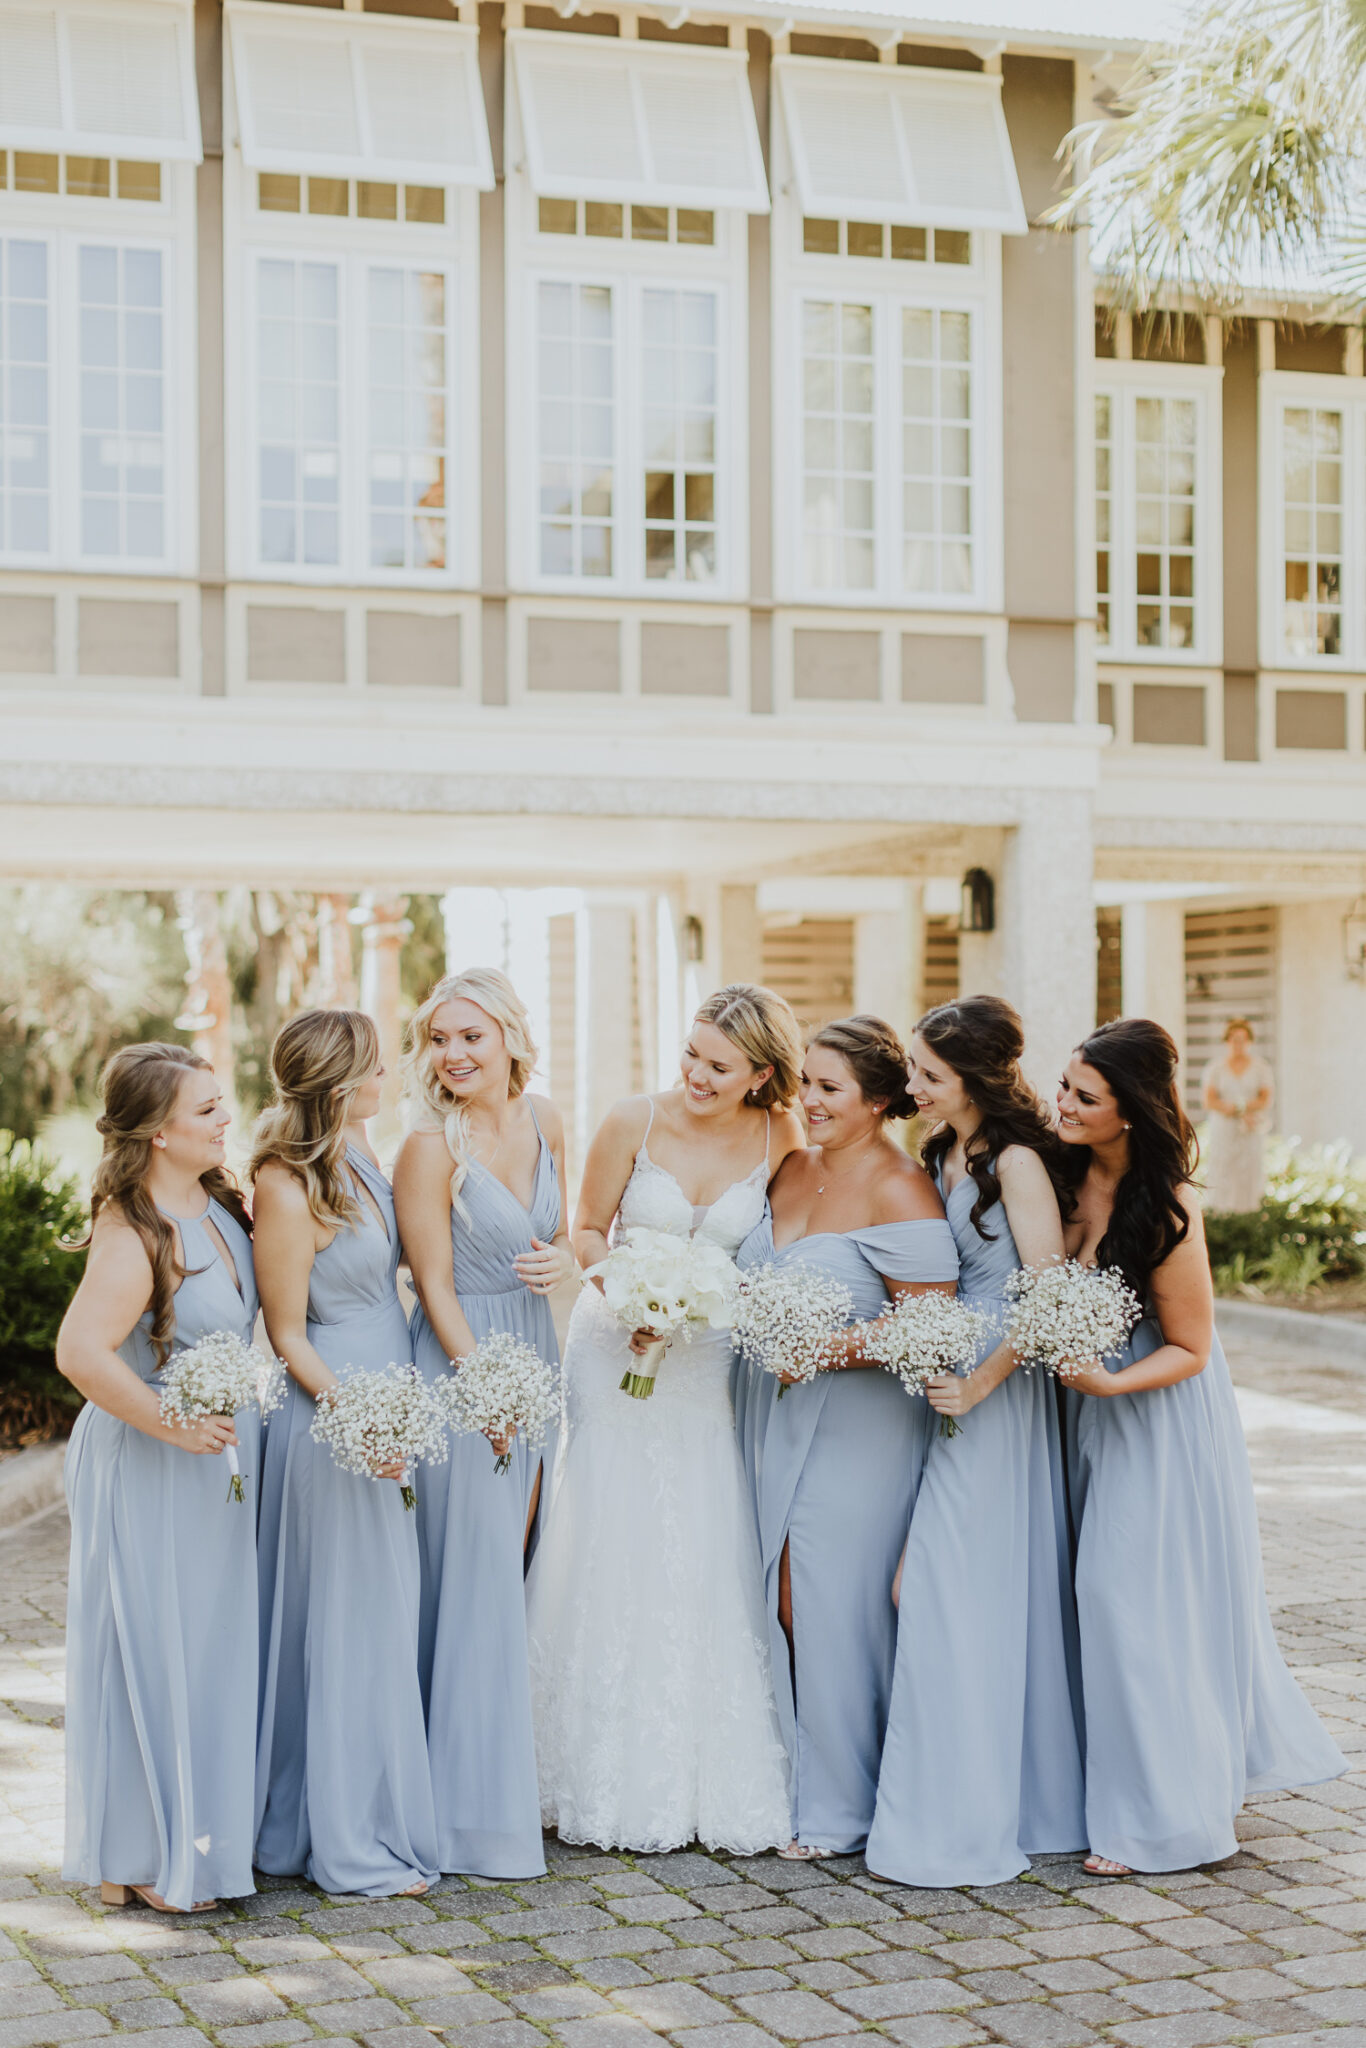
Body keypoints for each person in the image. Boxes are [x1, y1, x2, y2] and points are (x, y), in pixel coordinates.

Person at [1057, 1017, 1345, 1874]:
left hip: (1156, 1414)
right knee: (1097, 1599)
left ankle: (1167, 1821)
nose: (1062, 1104)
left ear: (1132, 1113)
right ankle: (1124, 1785)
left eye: (1084, 1095)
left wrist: (1108, 1383)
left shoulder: (1170, 1205)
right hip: (1083, 1412)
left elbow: (1191, 1347)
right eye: (1063, 1086)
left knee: (1129, 1597)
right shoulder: (1061, 1177)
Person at [526, 984, 804, 1854]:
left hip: (706, 1361)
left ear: (762, 1073)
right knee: (606, 1521)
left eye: (719, 1066)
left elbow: (783, 1251)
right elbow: (587, 1230)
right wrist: (624, 1294)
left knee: (696, 1520)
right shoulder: (632, 1120)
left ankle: (693, 1765)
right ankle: (571, 1756)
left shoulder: (780, 1139)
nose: (696, 1074)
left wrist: (711, 1304)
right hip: (613, 1344)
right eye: (690, 1054)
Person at [865, 997, 1086, 1887]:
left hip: (995, 1391)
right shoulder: (943, 1152)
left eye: (927, 1074)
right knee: (965, 1589)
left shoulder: (1020, 1162)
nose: (911, 1086)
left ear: (976, 1078)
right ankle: (987, 1797)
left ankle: (954, 1820)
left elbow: (1048, 1295)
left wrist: (979, 1385)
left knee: (934, 1583)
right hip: (944, 1380)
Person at [736, 1015, 959, 1860]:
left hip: (861, 1424)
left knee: (824, 1600)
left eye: (830, 1088)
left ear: (877, 1102)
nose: (809, 1100)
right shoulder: (792, 1166)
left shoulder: (901, 1188)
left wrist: (824, 1349)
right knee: (778, 1594)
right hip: (777, 1412)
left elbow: (933, 1331)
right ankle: (796, 1780)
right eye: (806, 1083)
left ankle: (843, 1803)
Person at [57, 1043, 259, 1914]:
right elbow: (79, 1352)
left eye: (222, 1103)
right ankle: (138, 1856)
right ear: (158, 1133)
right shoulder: (134, 1227)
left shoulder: (219, 1203)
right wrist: (172, 1425)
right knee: (148, 1645)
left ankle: (168, 1843)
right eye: (207, 1109)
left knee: (197, 1649)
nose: (225, 1119)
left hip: (209, 1463)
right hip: (148, 1460)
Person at [252, 1009, 439, 1900]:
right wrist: (357, 1420)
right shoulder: (287, 1186)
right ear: (341, 1081)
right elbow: (286, 1332)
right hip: (334, 1417)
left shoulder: (366, 1154)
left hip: (388, 1392)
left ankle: (335, 1818)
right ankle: (349, 1844)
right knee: (348, 1624)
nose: (395, 1073)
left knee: (377, 1619)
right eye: (378, 1064)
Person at [394, 967, 572, 1879]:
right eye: (440, 1039)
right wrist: (485, 1389)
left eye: (471, 1036)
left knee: (516, 1565)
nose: (454, 1054)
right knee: (470, 1578)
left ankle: (495, 1783)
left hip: (535, 1350)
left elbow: (567, 1237)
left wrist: (568, 1262)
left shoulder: (548, 1120)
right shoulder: (431, 1145)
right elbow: (430, 1282)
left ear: (509, 1034)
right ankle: (462, 1814)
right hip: (461, 1361)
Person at [1202, 1018, 1275, 1211]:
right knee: (1223, 1166)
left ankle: (1250, 1212)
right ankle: (1220, 1213)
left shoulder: (1261, 1067)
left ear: (1250, 1042)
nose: (1238, 1044)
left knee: (1250, 1167)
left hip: (1250, 1125)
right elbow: (1209, 1100)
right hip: (1224, 1126)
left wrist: (1243, 1107)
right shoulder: (1215, 1068)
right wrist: (1229, 1108)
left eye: (1242, 1040)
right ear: (1227, 1042)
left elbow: (1266, 1098)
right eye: (1234, 1039)